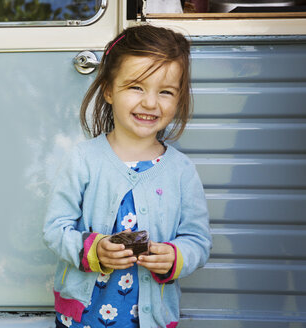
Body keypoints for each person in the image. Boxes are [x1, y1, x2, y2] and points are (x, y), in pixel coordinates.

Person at [43, 24, 212, 328]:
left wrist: (175, 257)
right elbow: (55, 229)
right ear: (108, 89)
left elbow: (198, 241)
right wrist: (92, 250)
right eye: (137, 87)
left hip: (152, 320)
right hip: (81, 319)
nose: (150, 103)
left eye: (165, 92)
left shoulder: (181, 171)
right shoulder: (84, 159)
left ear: (179, 98)